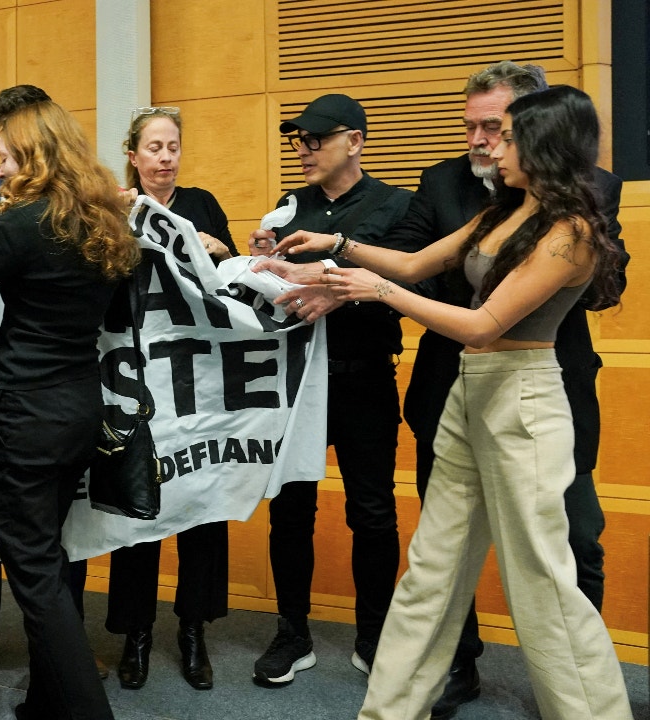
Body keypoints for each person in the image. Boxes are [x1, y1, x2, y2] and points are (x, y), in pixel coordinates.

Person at [268, 85, 633, 720]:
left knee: (543, 581)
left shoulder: (571, 232)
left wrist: (373, 290)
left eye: (508, 135)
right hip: (469, 393)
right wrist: (330, 255)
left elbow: (481, 324)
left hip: (524, 399)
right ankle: (390, 708)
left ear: (546, 145)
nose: (492, 144)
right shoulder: (503, 210)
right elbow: (415, 264)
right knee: (431, 570)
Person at [388, 61, 628, 719]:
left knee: (575, 541)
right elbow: (411, 257)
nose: (481, 140)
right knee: (444, 551)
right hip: (451, 388)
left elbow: (611, 278)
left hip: (547, 390)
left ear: (531, 129)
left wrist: (505, 290)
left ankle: (575, 683)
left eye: (495, 127)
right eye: (470, 125)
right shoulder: (441, 181)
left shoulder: (592, 189)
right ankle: (454, 670)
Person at [0, 100, 140, 720]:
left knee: (38, 581)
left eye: (6, 153)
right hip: (81, 413)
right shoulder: (103, 223)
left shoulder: (23, 225)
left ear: (33, 154)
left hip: (27, 423)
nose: (0, 162)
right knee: (50, 558)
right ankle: (46, 702)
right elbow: (119, 317)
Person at [247, 94, 413, 686]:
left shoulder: (398, 206)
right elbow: (264, 287)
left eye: (318, 138)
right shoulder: (288, 213)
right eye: (299, 140)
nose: (305, 149)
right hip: (293, 385)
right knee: (289, 509)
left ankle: (374, 634)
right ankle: (292, 632)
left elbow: (405, 272)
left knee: (372, 513)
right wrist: (258, 260)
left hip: (365, 377)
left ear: (357, 140)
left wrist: (326, 276)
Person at [104, 106, 237, 692]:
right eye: (153, 146)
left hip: (197, 385)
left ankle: (192, 632)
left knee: (200, 511)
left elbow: (232, 289)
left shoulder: (203, 203)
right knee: (140, 509)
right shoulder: (111, 206)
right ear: (132, 155)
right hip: (136, 382)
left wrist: (219, 248)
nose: (165, 156)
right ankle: (134, 635)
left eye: (173, 146)